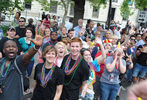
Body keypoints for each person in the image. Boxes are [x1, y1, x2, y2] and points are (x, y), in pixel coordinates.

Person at [0, 30, 43, 100]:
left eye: (13, 47)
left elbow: (28, 55)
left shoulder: (18, 61)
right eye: (8, 47)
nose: (11, 48)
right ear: (4, 50)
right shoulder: (1, 62)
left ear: (17, 50)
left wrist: (36, 47)